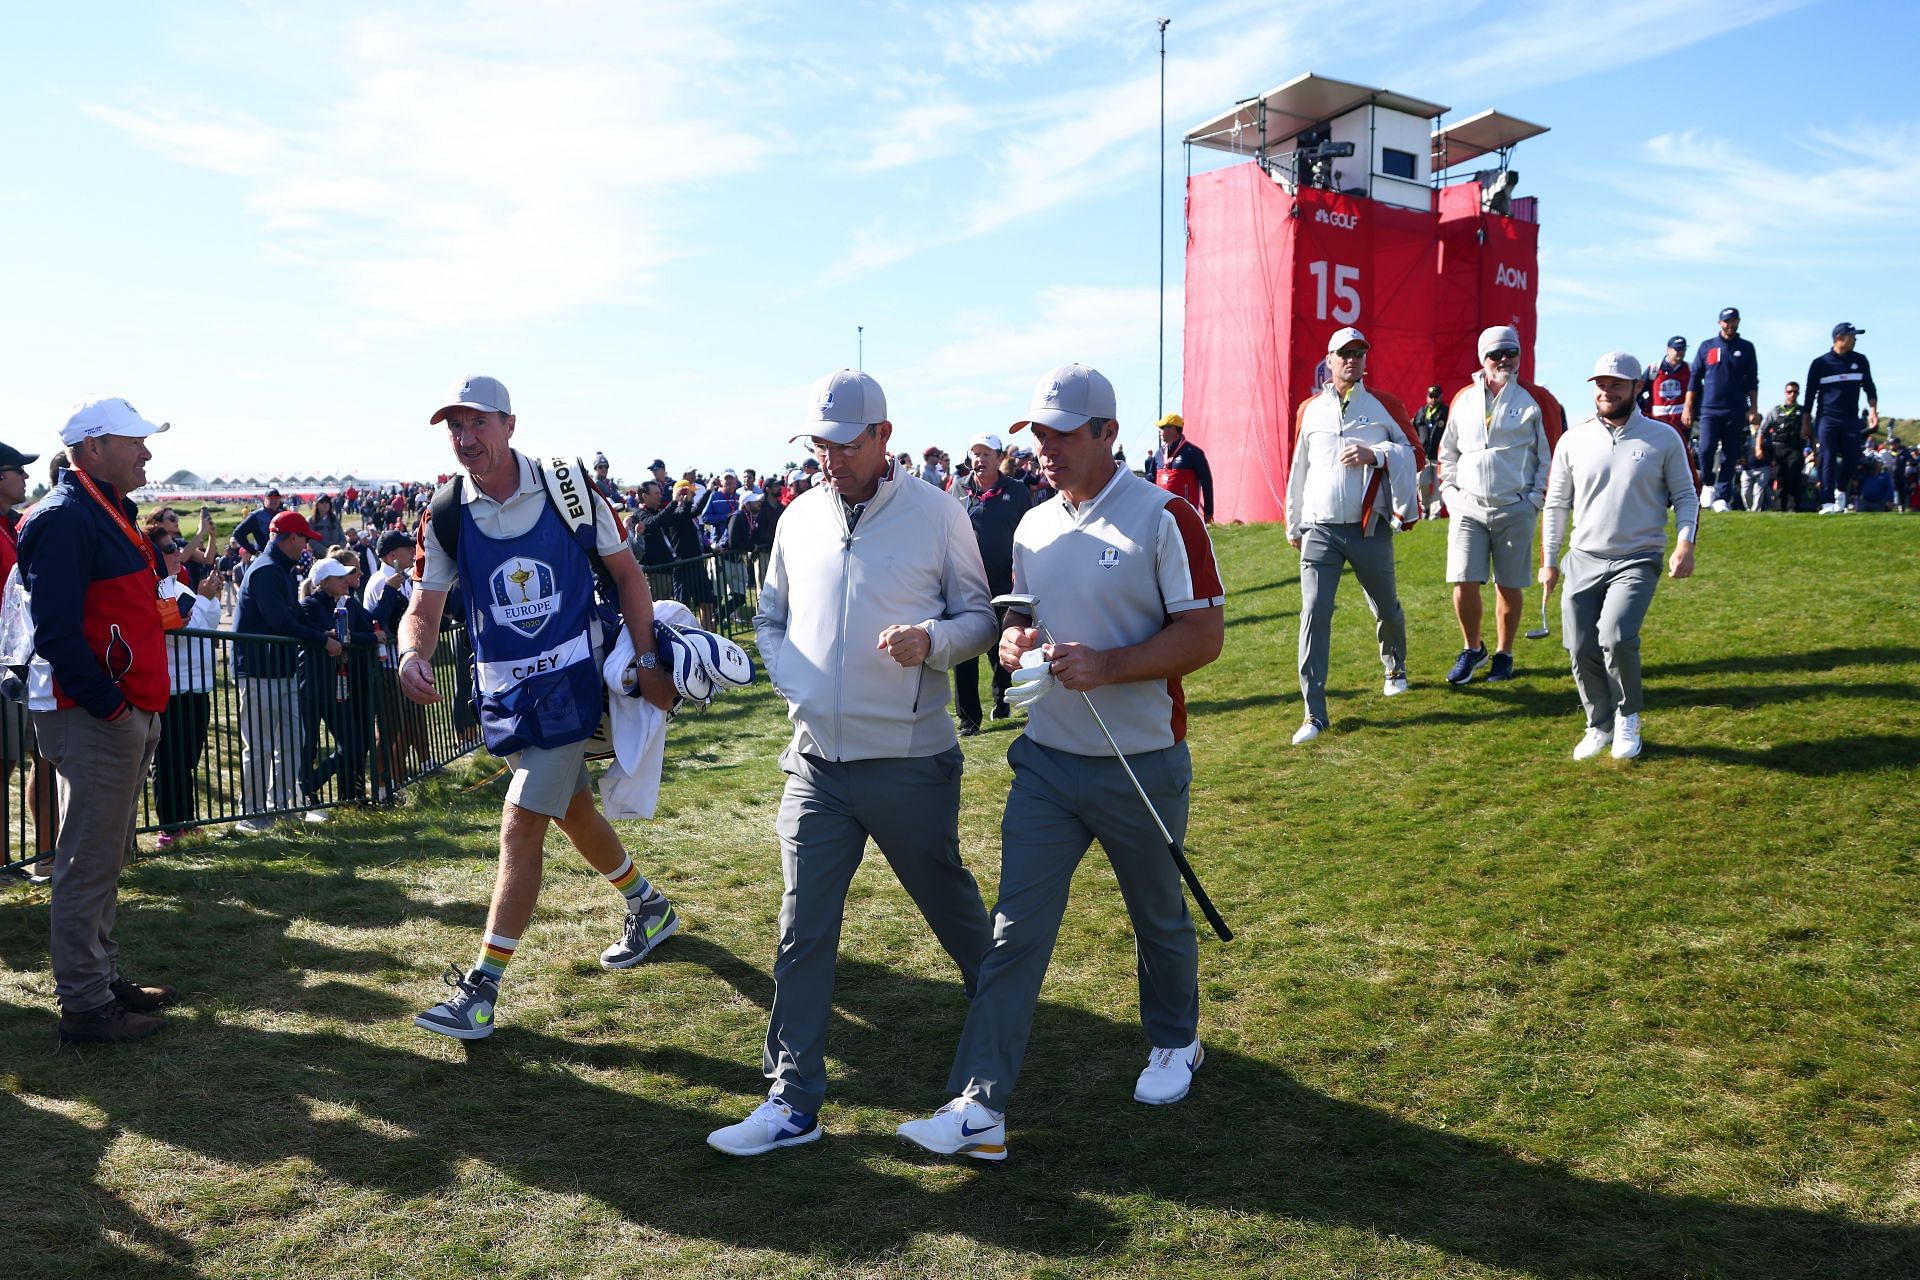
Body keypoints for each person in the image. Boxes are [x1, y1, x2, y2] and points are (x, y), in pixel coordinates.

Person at [896, 362, 1226, 1161]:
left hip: (1141, 759)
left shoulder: (1164, 515)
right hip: (1046, 761)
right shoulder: (1033, 526)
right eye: (1036, 434)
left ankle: (1176, 1040)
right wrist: (1017, 642)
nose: (1043, 448)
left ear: (1108, 433)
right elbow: (1027, 619)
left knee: (1157, 914)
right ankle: (980, 1107)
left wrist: (1109, 666)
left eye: (1060, 433)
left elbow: (1205, 636)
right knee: (1014, 931)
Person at [706, 367, 997, 1157]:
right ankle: (792, 1101)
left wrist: (932, 643)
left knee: (958, 918)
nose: (827, 458)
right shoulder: (796, 518)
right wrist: (795, 684)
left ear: (883, 438)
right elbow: (768, 619)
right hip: (817, 766)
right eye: (817, 445)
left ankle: (1001, 1049)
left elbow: (978, 616)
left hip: (911, 760)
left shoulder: (941, 516)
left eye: (842, 444)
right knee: (801, 930)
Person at [398, 375, 680, 1040]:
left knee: (521, 822)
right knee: (571, 809)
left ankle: (481, 992)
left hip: (573, 686)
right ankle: (650, 905)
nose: (466, 440)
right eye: (454, 428)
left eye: (478, 424)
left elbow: (629, 576)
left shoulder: (566, 485)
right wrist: (412, 653)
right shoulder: (444, 512)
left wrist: (645, 661)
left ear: (509, 425)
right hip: (507, 696)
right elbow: (425, 604)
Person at [18, 398, 176, 1043]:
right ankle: (85, 1005)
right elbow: (54, 627)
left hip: (119, 706)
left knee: (104, 858)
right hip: (95, 712)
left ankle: (102, 979)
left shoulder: (101, 510)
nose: (146, 452)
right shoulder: (64, 516)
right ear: (91, 447)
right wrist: (109, 704)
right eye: (134, 441)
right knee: (86, 863)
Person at [1540, 353, 1698, 762]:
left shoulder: (1663, 438)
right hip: (1583, 556)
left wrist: (1684, 543)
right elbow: (1556, 503)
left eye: (1617, 385)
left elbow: (1685, 496)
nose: (1606, 392)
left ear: (1637, 388)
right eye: (1601, 384)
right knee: (1578, 646)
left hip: (1638, 557)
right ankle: (1600, 723)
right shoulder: (1573, 440)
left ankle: (1628, 716)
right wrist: (1550, 559)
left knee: (1614, 635)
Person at [1284, 327, 1423, 744]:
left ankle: (1394, 666)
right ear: (1329, 359)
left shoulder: (1386, 405)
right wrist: (1294, 523)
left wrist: (1376, 454)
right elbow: (1299, 469)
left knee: (1385, 605)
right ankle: (1313, 713)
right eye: (1345, 354)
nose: (1352, 360)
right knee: (1313, 614)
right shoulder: (1308, 409)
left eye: (1359, 353)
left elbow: (1416, 454)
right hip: (1320, 528)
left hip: (1369, 526)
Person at [1438, 326, 1564, 685]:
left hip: (1515, 507)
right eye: (1496, 354)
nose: (1504, 360)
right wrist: (1450, 494)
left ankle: (1504, 654)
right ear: (1483, 359)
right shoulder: (1463, 398)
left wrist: (1534, 500)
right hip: (1468, 507)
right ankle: (1472, 648)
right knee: (1463, 581)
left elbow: (1550, 455)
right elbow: (1447, 452)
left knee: (1508, 585)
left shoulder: (1536, 399)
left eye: (1511, 352)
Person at [232, 508, 333, 831]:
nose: (306, 545)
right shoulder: (266, 570)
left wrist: (320, 633)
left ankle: (282, 804)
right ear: (291, 537)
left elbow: (292, 619)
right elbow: (281, 621)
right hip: (259, 671)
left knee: (291, 740)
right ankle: (253, 811)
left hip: (280, 669)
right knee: (260, 744)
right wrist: (320, 639)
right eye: (304, 538)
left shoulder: (279, 569)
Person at [953, 432, 1030, 735]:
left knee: (1001, 645)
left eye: (986, 454)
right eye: (975, 453)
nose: (980, 459)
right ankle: (968, 719)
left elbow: (1028, 531)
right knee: (964, 651)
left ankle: (1002, 698)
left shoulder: (1017, 490)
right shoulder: (958, 489)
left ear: (999, 458)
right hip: (966, 582)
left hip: (1004, 581)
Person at [152, 533, 222, 849]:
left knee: (188, 759)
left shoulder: (178, 587)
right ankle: (170, 826)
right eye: (169, 548)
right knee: (169, 761)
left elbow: (207, 628)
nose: (178, 552)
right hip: (172, 686)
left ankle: (187, 820)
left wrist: (206, 597)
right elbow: (172, 633)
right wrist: (203, 599)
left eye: (177, 546)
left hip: (197, 684)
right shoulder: (153, 587)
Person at [1683, 308, 1760, 512]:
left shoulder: (1746, 348)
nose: (1730, 325)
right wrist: (1688, 407)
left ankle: (1722, 497)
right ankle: (1708, 483)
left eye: (1734, 321)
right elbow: (1694, 378)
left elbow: (1752, 381)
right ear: (1720, 323)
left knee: (1730, 454)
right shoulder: (1707, 347)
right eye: (1726, 321)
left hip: (1735, 409)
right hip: (1709, 409)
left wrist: (1753, 408)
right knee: (1706, 449)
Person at [1804, 323, 1880, 514]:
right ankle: (1827, 501)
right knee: (1827, 457)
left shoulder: (1860, 361)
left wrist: (1873, 411)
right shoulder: (1820, 363)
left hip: (1850, 419)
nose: (1855, 340)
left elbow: (1869, 388)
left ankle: (1840, 490)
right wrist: (1806, 422)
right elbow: (1809, 395)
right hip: (1827, 418)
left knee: (1853, 458)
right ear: (1840, 338)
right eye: (1852, 336)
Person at [1145, 412, 1215, 523]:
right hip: (1161, 513)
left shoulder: (1193, 453)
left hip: (1186, 516)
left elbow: (1207, 482)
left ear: (1173, 429)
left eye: (1163, 427)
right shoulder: (1159, 454)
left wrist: (1208, 511)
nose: (1160, 430)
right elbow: (1150, 480)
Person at [1759, 382, 1810, 512]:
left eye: (1795, 392)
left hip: (1796, 448)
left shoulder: (1803, 412)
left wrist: (1815, 451)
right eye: (1789, 392)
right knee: (1780, 478)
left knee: (1794, 476)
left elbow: (1812, 432)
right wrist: (1758, 448)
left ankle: (1793, 507)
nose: (1792, 394)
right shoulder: (1775, 411)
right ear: (1785, 393)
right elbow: (1762, 430)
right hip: (1779, 449)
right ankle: (1779, 507)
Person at [1638, 336, 1690, 440]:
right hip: (1658, 424)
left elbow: (1697, 393)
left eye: (1683, 349)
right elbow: (1637, 391)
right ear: (1668, 350)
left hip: (1682, 426)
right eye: (1677, 349)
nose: (1680, 352)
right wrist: (1642, 411)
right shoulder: (1654, 369)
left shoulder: (1689, 369)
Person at [1411, 386, 1447, 519]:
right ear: (1427, 397)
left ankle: (1435, 513)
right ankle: (1425, 507)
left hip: (1441, 456)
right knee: (1422, 483)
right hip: (1424, 456)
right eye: (1431, 396)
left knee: (1439, 485)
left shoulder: (1446, 412)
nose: (1433, 399)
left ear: (1441, 396)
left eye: (1436, 396)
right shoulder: (1421, 412)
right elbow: (1413, 429)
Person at [232, 487, 286, 555]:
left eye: (276, 498)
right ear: (265, 499)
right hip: (264, 556)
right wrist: (254, 552)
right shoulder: (256, 516)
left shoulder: (283, 514)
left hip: (281, 555)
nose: (274, 501)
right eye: (270, 498)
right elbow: (238, 533)